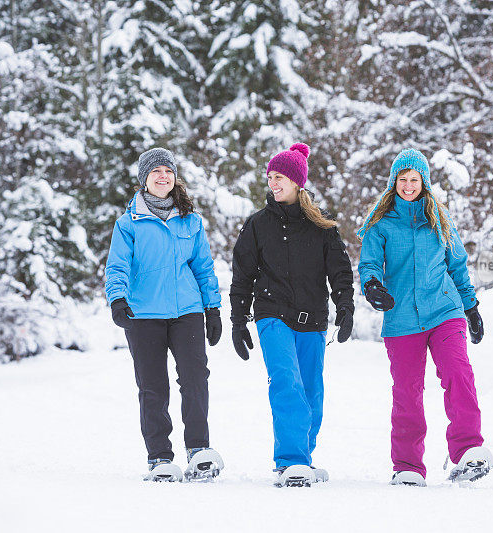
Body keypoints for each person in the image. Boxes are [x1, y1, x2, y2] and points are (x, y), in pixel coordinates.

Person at [357, 148, 492, 487]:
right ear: (393, 183)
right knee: (407, 390)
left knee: (458, 372)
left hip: (444, 310)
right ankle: (408, 466)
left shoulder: (440, 219)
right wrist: (373, 286)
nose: (408, 185)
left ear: (424, 182)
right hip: (401, 318)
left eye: (414, 179)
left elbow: (457, 266)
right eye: (402, 179)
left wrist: (471, 307)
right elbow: (369, 263)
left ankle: (468, 450)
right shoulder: (381, 225)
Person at [230, 143, 355, 487]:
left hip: (312, 320)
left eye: (279, 176)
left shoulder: (322, 226)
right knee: (286, 382)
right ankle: (291, 460)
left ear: (298, 181)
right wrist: (238, 321)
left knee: (312, 391)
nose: (273, 183)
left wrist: (345, 307)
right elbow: (242, 275)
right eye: (270, 177)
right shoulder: (256, 225)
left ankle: (302, 455)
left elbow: (340, 272)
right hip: (271, 315)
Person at [105, 147, 224, 482]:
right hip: (143, 316)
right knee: (153, 387)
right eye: (156, 171)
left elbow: (203, 267)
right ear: (144, 179)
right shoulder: (128, 224)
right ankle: (159, 458)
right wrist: (118, 299)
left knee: (196, 379)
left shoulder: (191, 220)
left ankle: (199, 450)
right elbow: (117, 266)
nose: (163, 177)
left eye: (168, 171)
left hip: (186, 312)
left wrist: (212, 308)